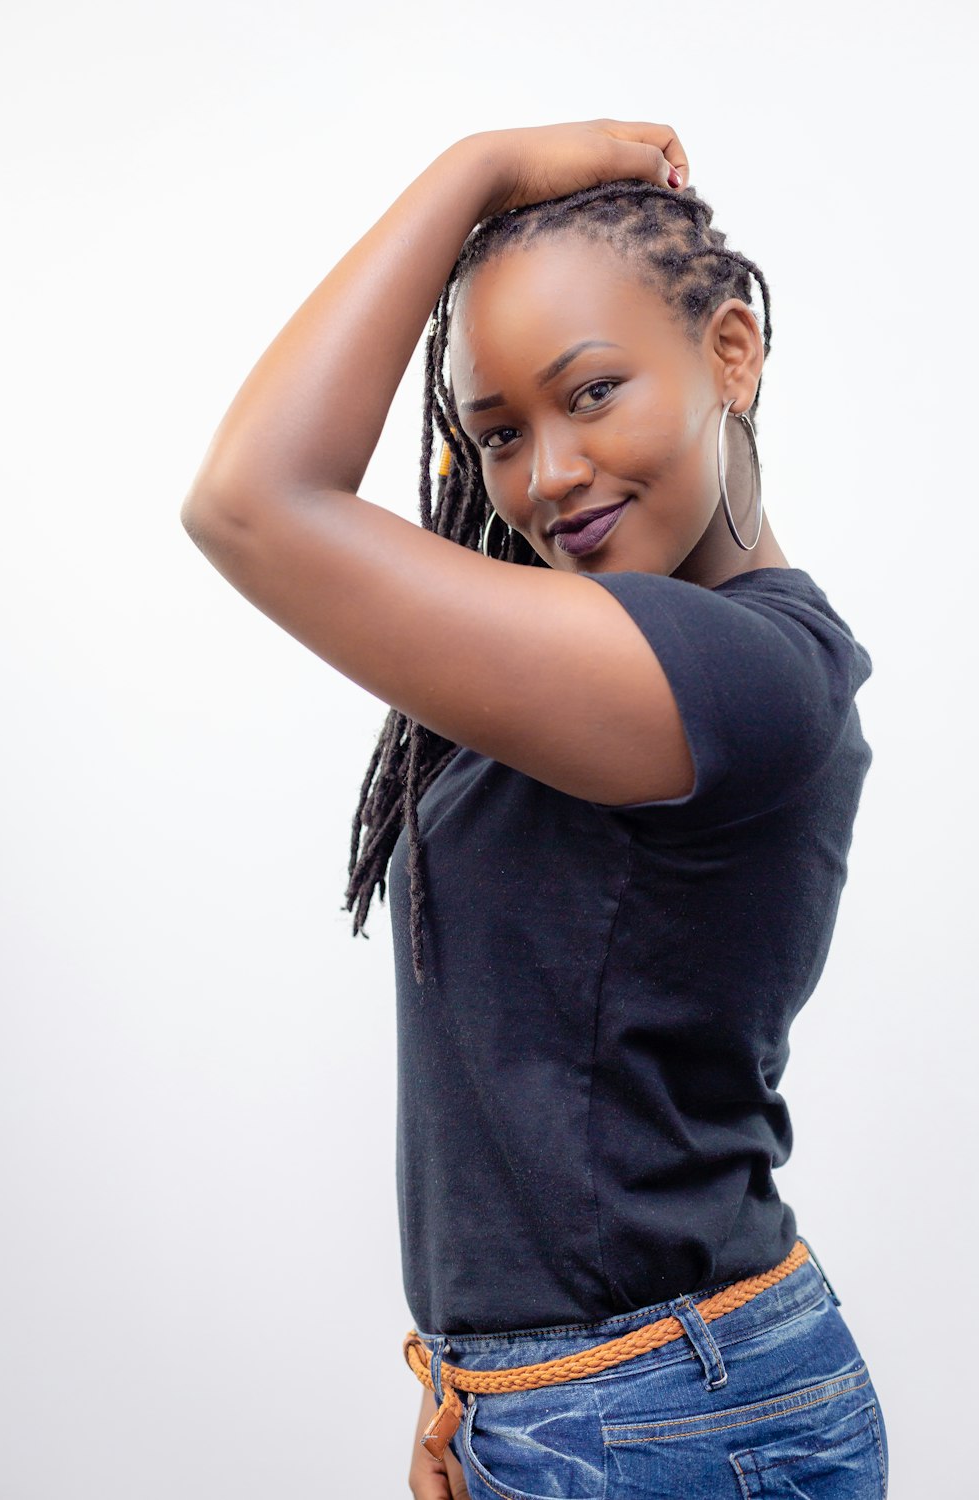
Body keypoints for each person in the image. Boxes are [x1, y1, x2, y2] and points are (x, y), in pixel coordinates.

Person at [180, 120, 888, 1499]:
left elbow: (252, 502)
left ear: (730, 354)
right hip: (600, 1409)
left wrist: (478, 171)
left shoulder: (747, 678)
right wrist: (488, 1393)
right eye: (497, 431)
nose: (549, 474)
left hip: (673, 1415)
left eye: (594, 391)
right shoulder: (623, 648)